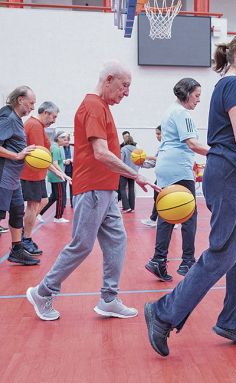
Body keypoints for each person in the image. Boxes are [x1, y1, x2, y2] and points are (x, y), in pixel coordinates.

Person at [144, 29, 236, 357]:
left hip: (232, 175)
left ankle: (234, 320)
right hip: (230, 174)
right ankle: (162, 314)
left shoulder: (229, 85)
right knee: (222, 254)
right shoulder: (234, 85)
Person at [26, 60, 159, 321]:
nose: (127, 92)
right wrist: (135, 174)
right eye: (125, 86)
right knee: (82, 245)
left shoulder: (103, 107)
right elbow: (100, 153)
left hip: (106, 190)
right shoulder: (93, 106)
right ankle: (43, 291)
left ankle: (109, 298)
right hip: (94, 188)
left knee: (117, 240)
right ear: (109, 79)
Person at [145, 78, 209, 282]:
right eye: (197, 95)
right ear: (187, 93)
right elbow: (192, 143)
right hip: (178, 168)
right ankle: (188, 260)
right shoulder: (183, 113)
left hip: (166, 166)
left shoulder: (170, 111)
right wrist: (219, 153)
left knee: (168, 211)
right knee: (189, 212)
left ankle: (158, 260)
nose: (198, 100)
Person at [21, 101, 68, 254]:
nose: (54, 120)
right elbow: (39, 157)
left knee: (44, 201)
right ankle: (25, 238)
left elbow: (44, 157)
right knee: (33, 205)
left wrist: (60, 172)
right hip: (31, 173)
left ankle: (24, 231)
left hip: (37, 173)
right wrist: (57, 171)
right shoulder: (34, 126)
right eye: (53, 116)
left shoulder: (38, 126)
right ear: (46, 112)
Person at [0, 85, 39, 266]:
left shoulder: (16, 118)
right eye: (31, 103)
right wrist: (16, 155)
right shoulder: (7, 118)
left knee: (17, 212)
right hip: (3, 175)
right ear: (20, 100)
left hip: (13, 178)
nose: (32, 107)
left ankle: (16, 250)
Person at [38, 131, 69, 223]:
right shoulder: (56, 149)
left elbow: (55, 162)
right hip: (57, 177)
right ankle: (58, 217)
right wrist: (64, 175)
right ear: (58, 139)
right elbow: (54, 164)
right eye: (64, 139)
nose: (66, 141)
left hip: (54, 175)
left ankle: (39, 213)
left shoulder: (55, 147)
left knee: (54, 197)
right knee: (60, 197)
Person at [141, 125, 161, 227]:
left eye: (159, 134)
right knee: (157, 197)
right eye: (156, 134)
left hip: (170, 178)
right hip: (161, 178)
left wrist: (148, 157)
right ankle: (153, 219)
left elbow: (164, 159)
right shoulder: (161, 147)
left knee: (164, 198)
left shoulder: (171, 146)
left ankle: (172, 220)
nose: (157, 136)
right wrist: (140, 163)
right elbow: (153, 163)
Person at [119, 135, 139, 213]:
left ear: (125, 141)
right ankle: (132, 207)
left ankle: (126, 207)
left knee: (122, 189)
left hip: (124, 172)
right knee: (131, 189)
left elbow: (121, 160)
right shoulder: (136, 150)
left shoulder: (123, 149)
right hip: (133, 172)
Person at [61, 133, 74, 208]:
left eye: (67, 140)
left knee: (72, 188)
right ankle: (63, 204)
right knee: (63, 188)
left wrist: (71, 160)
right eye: (65, 140)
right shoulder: (59, 149)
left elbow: (76, 158)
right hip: (63, 171)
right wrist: (64, 161)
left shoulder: (73, 148)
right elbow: (58, 160)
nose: (66, 142)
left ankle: (73, 203)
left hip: (72, 170)